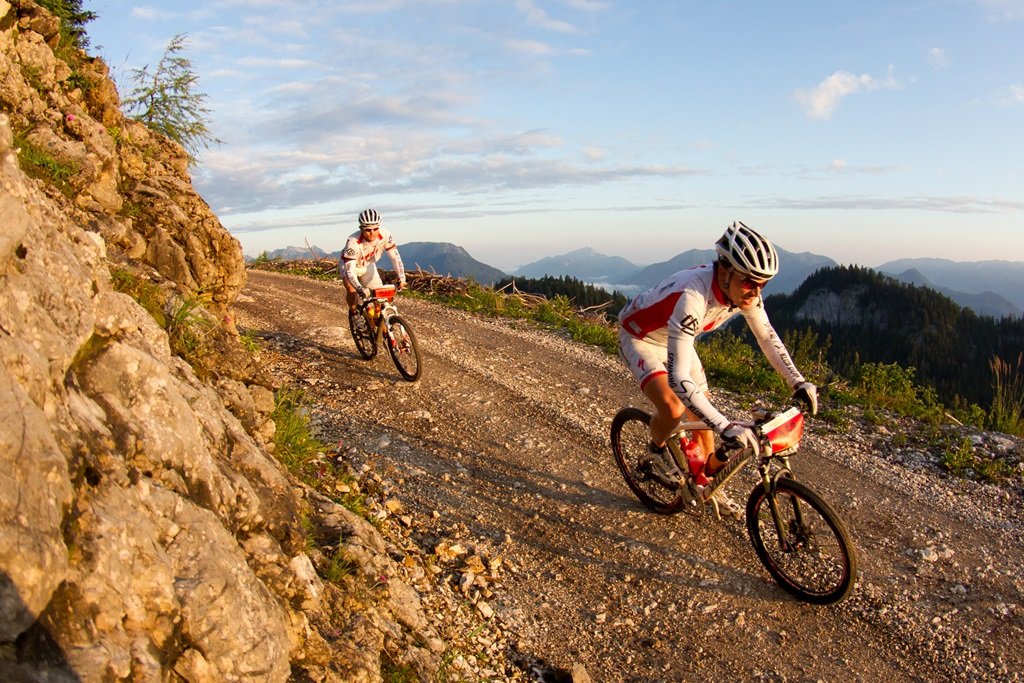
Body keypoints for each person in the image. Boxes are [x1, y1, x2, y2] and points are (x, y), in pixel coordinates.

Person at [617, 220, 818, 498]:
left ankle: (702, 482)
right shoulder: (692, 296)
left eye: (763, 284)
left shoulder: (743, 294)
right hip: (641, 338)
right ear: (724, 272)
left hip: (675, 339)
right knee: (675, 409)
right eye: (749, 281)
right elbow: (678, 380)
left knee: (702, 418)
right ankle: (656, 449)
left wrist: (798, 382)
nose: (756, 291)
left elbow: (767, 337)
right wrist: (726, 425)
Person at [339, 208, 407, 312]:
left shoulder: (385, 235)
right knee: (352, 291)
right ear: (361, 229)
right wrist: (359, 288)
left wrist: (401, 277)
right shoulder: (353, 242)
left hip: (367, 265)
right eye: (368, 230)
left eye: (375, 229)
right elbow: (350, 271)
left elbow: (395, 257)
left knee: (379, 298)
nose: (372, 233)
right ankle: (354, 313)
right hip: (350, 266)